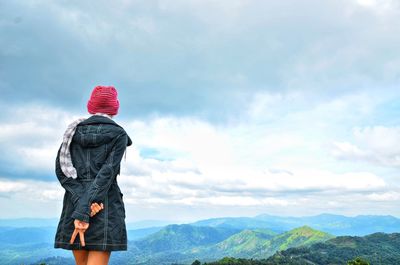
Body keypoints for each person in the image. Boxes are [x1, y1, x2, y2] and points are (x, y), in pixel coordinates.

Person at [54, 85, 132, 265]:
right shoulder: (119, 134)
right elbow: (107, 174)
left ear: (91, 106)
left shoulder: (71, 133)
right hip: (104, 205)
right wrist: (86, 208)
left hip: (75, 204)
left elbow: (62, 172)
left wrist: (81, 206)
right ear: (115, 108)